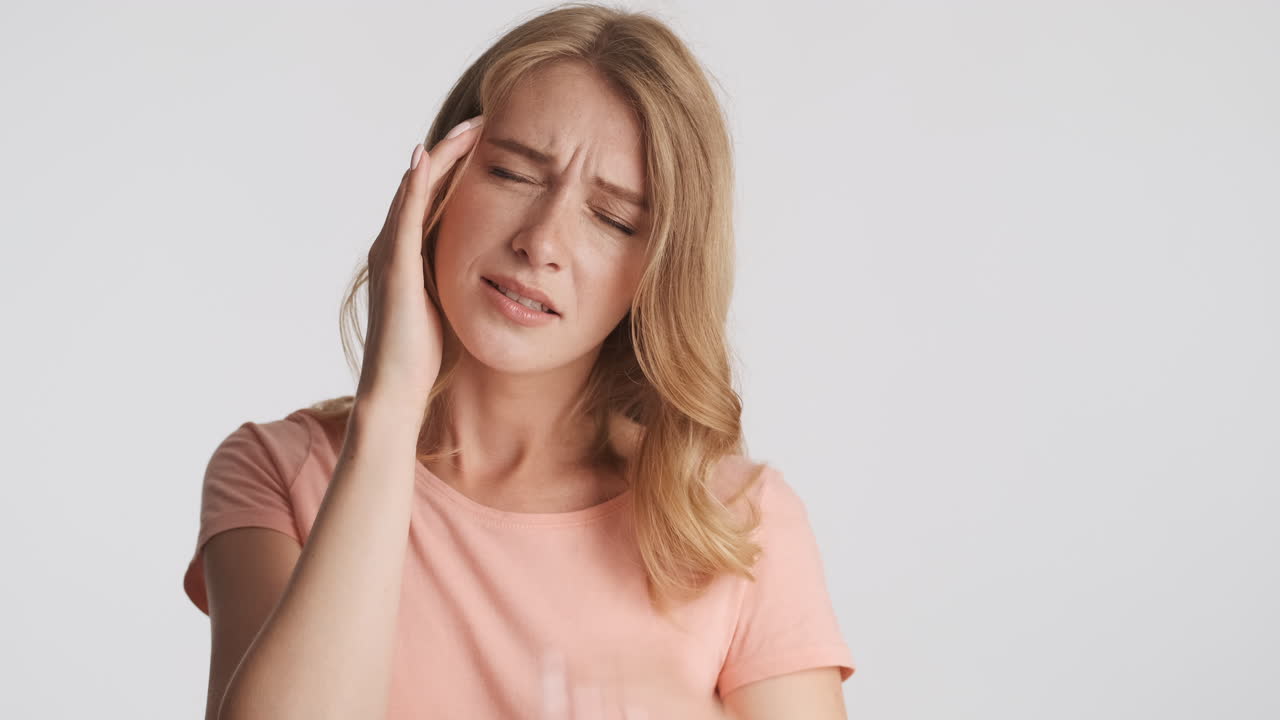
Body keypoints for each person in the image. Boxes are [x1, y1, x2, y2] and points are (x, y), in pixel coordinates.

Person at [181, 3, 855, 718]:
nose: (542, 240)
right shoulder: (278, 474)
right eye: (511, 174)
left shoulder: (736, 523)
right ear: (434, 186)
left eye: (613, 218)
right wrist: (391, 410)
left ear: (658, 269)